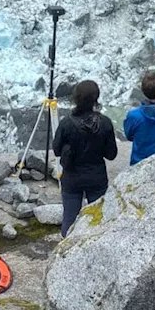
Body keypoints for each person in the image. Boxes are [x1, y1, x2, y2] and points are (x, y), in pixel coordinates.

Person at [51, 80, 118, 236]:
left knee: (69, 218)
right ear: (96, 99)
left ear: (75, 98)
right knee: (99, 218)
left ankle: (66, 249)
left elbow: (56, 150)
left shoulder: (66, 123)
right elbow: (111, 154)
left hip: (72, 177)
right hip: (97, 177)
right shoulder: (105, 123)